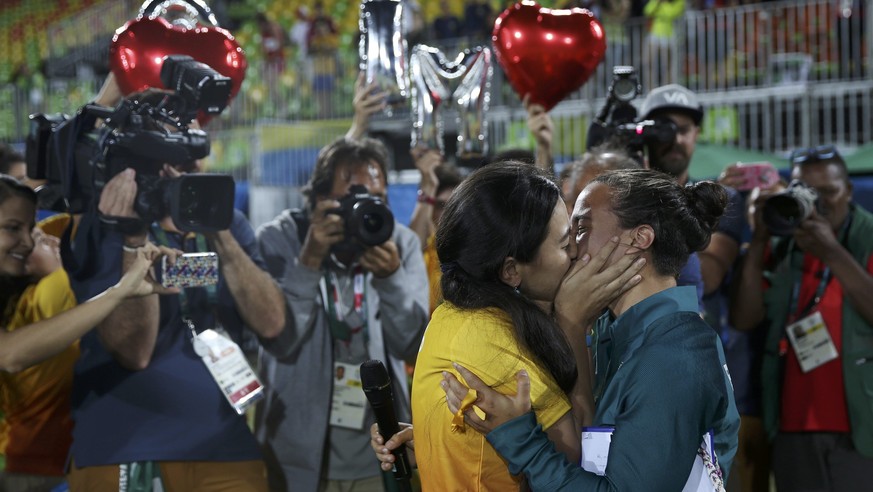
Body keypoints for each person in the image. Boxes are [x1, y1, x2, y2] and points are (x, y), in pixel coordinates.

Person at [375, 169, 739, 490]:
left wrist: (521, 440)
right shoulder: (611, 331)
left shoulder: (673, 355)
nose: (574, 250)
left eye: (581, 229)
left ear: (639, 239)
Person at [63, 88, 285, 490]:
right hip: (126, 451)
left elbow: (271, 323)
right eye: (179, 149)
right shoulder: (107, 224)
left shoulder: (227, 222)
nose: (194, 163)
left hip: (227, 447)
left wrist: (216, 229)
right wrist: (131, 237)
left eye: (196, 148)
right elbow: (135, 353)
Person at [410, 161, 646, 490]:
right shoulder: (490, 340)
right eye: (565, 245)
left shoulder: (457, 314)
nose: (577, 252)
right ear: (510, 270)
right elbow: (582, 457)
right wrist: (572, 323)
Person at [254, 137, 429, 492]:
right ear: (319, 200)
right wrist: (310, 260)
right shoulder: (280, 239)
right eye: (351, 201)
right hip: (296, 456)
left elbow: (411, 346)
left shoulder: (400, 243)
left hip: (379, 454)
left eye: (376, 201)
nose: (364, 212)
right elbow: (279, 341)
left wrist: (390, 279)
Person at [0, 175, 175, 491]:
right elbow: (8, 355)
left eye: (30, 230)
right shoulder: (46, 293)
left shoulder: (17, 295)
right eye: (12, 228)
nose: (27, 243)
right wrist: (119, 290)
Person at [730, 145, 873, 492]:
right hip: (791, 424)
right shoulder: (784, 243)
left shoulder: (867, 237)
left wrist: (833, 253)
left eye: (828, 192)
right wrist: (760, 237)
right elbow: (745, 319)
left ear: (849, 191)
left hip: (860, 426)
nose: (818, 203)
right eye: (806, 192)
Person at [639, 83, 745, 312]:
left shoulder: (721, 199)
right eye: (664, 129)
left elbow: (709, 277)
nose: (676, 139)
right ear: (644, 134)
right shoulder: (625, 197)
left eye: (684, 129)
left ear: (696, 134)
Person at [408, 146, 463, 315]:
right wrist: (428, 185)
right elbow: (413, 247)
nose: (447, 213)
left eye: (453, 205)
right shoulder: (424, 250)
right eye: (440, 205)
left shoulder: (471, 248)